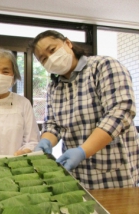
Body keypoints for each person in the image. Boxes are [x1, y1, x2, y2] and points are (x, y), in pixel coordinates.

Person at [30, 30, 139, 189]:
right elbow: (53, 125)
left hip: (114, 174)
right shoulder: (54, 86)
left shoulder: (103, 66)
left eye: (52, 50)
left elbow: (120, 112)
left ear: (68, 43)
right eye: (43, 59)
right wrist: (46, 141)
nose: (50, 59)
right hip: (77, 174)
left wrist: (83, 151)